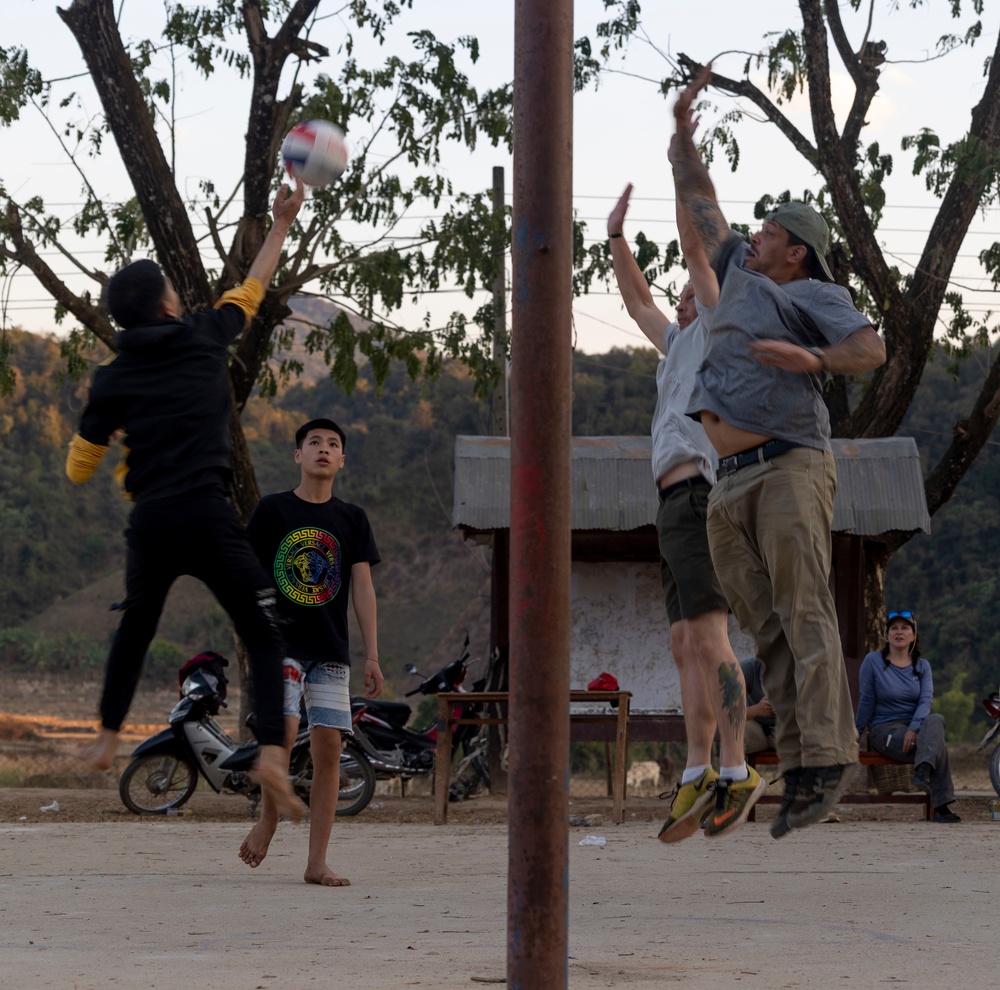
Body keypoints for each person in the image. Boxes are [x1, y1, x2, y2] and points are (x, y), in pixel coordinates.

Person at [670, 66, 887, 838]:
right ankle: (800, 766)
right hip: (727, 482)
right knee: (767, 634)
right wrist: (682, 141)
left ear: (795, 251)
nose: (752, 236)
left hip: (790, 465)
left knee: (805, 612)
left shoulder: (810, 296)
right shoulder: (737, 272)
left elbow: (870, 348)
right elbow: (702, 210)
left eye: (767, 232)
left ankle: (830, 756)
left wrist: (817, 362)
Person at [66, 182, 307, 822]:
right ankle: (276, 758)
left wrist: (104, 426)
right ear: (169, 303)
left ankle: (108, 735)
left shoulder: (112, 377)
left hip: (150, 520)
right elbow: (251, 292)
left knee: (136, 626)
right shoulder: (205, 336)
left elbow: (78, 466)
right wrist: (281, 222)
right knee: (264, 632)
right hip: (207, 512)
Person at [608, 185, 763, 841]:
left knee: (710, 637)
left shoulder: (723, 328)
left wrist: (683, 168)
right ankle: (697, 769)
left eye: (692, 288)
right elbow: (638, 301)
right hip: (672, 502)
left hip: (702, 493)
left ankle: (737, 768)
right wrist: (615, 240)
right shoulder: (678, 348)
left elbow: (698, 249)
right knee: (683, 645)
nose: (681, 294)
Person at [239, 419, 383, 885]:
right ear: (297, 455)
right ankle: (268, 819)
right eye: (314, 443)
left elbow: (363, 588)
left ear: (342, 461)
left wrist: (373, 655)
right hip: (281, 644)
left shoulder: (352, 518)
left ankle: (316, 862)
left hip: (330, 650)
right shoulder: (272, 510)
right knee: (281, 729)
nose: (324, 449)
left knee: (329, 749)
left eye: (333, 444)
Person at [856, 611, 960, 823]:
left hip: (916, 729)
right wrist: (855, 735)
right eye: (894, 628)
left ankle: (922, 773)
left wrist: (913, 729)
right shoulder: (873, 661)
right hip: (885, 729)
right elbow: (866, 701)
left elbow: (925, 702)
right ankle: (941, 807)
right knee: (936, 745)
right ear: (886, 635)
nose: (899, 632)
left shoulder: (923, 666)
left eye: (905, 628)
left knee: (936, 719)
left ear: (913, 636)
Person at [739, 657, 776, 755]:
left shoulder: (799, 668)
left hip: (786, 731)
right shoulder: (746, 669)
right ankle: (734, 769)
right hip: (757, 729)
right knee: (734, 734)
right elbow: (725, 715)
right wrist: (755, 710)